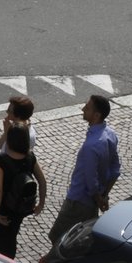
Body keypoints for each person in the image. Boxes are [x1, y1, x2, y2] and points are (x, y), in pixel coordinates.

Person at [47, 95, 120, 244]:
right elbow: (115, 169)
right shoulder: (110, 134)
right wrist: (104, 195)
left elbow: (90, 181)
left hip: (78, 201)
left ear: (97, 115)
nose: (82, 110)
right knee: (79, 239)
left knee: (58, 238)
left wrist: (99, 199)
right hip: (92, 201)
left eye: (87, 108)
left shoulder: (91, 146)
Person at [0, 124, 47, 259]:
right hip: (21, 208)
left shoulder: (0, 161)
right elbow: (42, 181)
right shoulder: (30, 157)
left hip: (4, 210)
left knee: (3, 243)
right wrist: (41, 204)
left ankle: (4, 259)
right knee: (12, 232)